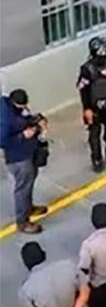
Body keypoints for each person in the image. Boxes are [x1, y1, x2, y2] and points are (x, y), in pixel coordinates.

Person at [2, 87, 47, 234]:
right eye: (22, 107)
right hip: (18, 159)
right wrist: (22, 136)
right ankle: (22, 222)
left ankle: (28, 208)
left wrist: (37, 119)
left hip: (28, 151)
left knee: (30, 180)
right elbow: (2, 141)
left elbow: (23, 119)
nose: (25, 109)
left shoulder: (10, 104)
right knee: (23, 188)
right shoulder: (5, 121)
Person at [77, 37, 106, 173]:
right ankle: (97, 159)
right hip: (94, 107)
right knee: (94, 134)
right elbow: (83, 90)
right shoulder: (87, 69)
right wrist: (87, 109)